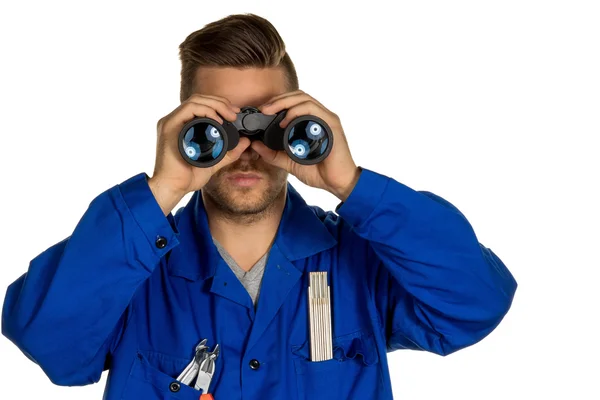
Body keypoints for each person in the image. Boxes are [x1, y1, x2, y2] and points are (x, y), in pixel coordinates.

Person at [1, 13, 517, 400]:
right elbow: (48, 341)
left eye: (271, 124)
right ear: (182, 130)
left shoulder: (362, 264)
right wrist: (161, 189)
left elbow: (474, 302)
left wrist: (350, 183)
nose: (245, 146)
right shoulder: (132, 275)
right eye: (217, 127)